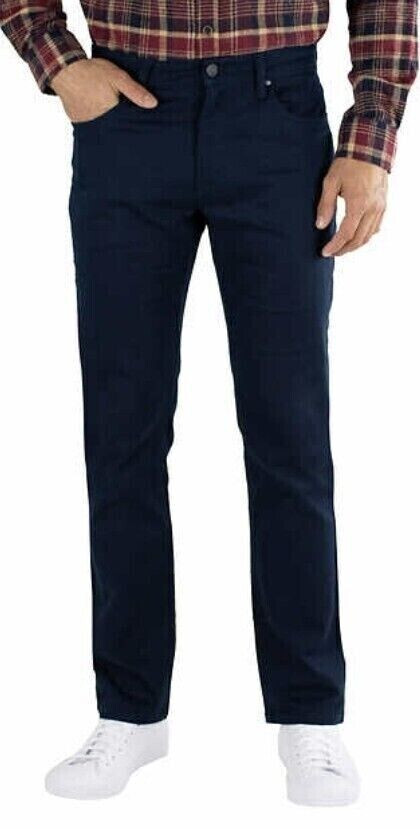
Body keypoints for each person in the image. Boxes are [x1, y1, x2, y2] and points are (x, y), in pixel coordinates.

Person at [1, 0, 417, 806]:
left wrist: (370, 139)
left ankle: (310, 712)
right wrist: (58, 62)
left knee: (290, 429)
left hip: (277, 114)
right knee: (122, 428)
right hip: (127, 112)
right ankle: (129, 709)